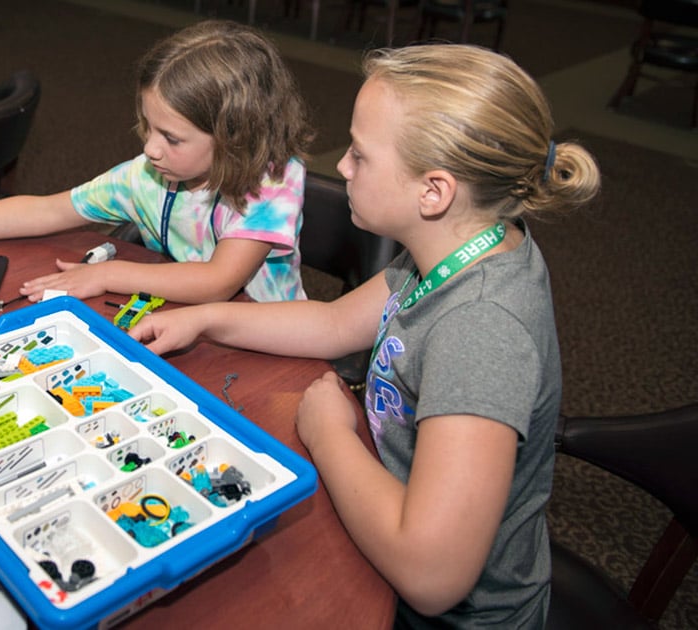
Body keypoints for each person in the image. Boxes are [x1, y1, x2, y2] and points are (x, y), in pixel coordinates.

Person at [128, 43, 601, 627]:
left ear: (434, 191)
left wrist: (329, 433)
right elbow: (334, 324)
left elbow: (432, 577)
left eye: (359, 154)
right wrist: (205, 318)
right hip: (382, 504)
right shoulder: (460, 244)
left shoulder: (483, 330)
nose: (344, 168)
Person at [0, 19, 315, 305]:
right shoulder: (148, 176)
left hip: (273, 344)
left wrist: (108, 275)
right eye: (148, 127)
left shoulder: (272, 181)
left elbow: (218, 281)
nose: (150, 149)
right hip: (194, 321)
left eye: (171, 137)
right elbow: (48, 210)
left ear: (234, 136)